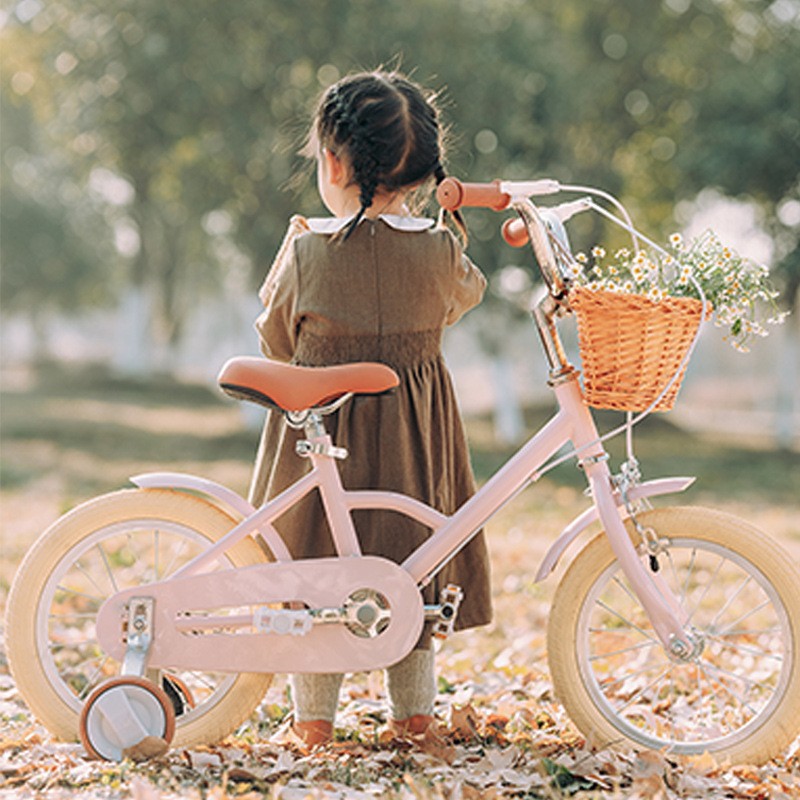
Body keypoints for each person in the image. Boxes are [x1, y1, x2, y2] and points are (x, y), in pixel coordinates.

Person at [248, 69, 492, 749]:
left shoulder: (307, 251)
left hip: (322, 437)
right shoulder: (440, 251)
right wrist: (447, 230)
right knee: (414, 559)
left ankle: (315, 722)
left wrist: (294, 249)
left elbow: (273, 336)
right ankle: (414, 715)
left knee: (318, 565)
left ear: (332, 160)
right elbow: (465, 294)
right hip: (415, 440)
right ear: (418, 174)